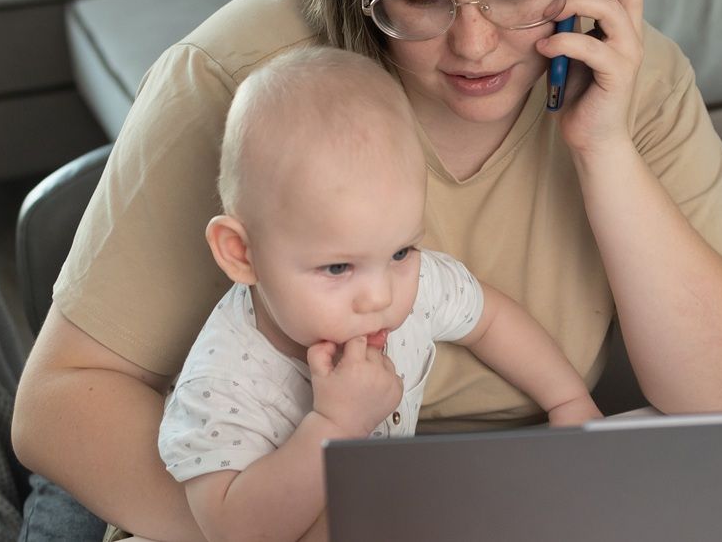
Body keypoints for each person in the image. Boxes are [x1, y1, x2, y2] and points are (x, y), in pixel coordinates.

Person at [13, 0, 722, 540]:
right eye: (420, 0)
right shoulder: (239, 82)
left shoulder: (631, 80)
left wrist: (604, 148)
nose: (476, 45)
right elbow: (55, 407)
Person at [160, 46, 601, 541]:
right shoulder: (224, 381)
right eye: (337, 267)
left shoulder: (409, 288)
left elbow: (490, 319)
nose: (379, 297)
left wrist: (568, 400)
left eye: (400, 251)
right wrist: (333, 425)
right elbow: (233, 529)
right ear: (242, 254)